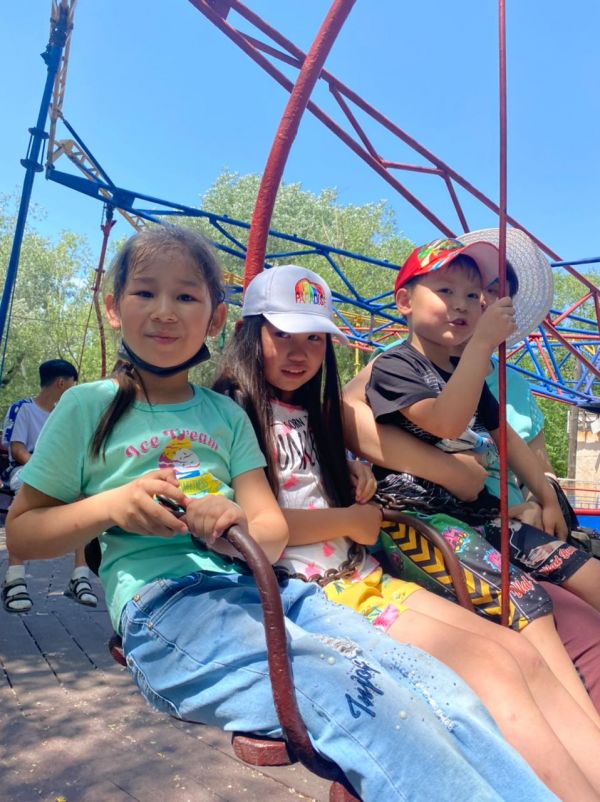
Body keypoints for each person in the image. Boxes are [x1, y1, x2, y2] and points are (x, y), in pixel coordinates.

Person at [4, 226, 561, 802]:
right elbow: (22, 536)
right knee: (359, 699)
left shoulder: (225, 417)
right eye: (146, 293)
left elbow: (269, 533)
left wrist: (231, 520)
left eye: (186, 297)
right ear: (113, 307)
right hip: (167, 606)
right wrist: (111, 506)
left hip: (269, 593)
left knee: (441, 687)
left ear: (215, 319)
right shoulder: (87, 406)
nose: (165, 311)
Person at [213, 263, 600, 799]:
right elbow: (260, 528)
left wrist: (356, 474)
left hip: (363, 571)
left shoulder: (316, 411)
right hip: (325, 583)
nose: (299, 352)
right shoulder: (235, 414)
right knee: (496, 656)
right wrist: (353, 516)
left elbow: (491, 440)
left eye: (314, 339)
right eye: (283, 334)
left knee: (518, 653)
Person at [341, 230, 600, 713]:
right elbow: (444, 421)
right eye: (445, 291)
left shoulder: (474, 376)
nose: (462, 304)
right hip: (424, 521)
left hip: (483, 515)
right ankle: (581, 724)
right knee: (530, 607)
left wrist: (545, 496)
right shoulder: (395, 367)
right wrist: (480, 346)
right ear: (405, 302)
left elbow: (507, 438)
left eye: (472, 295)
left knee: (588, 573)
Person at [1, 359, 98, 612]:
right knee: (26, 490)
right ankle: (15, 577)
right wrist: (43, 471)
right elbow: (17, 448)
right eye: (72, 384)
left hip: (60, 473)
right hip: (25, 469)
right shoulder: (23, 408)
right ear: (61, 383)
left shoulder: (65, 416)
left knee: (86, 497)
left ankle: (80, 575)